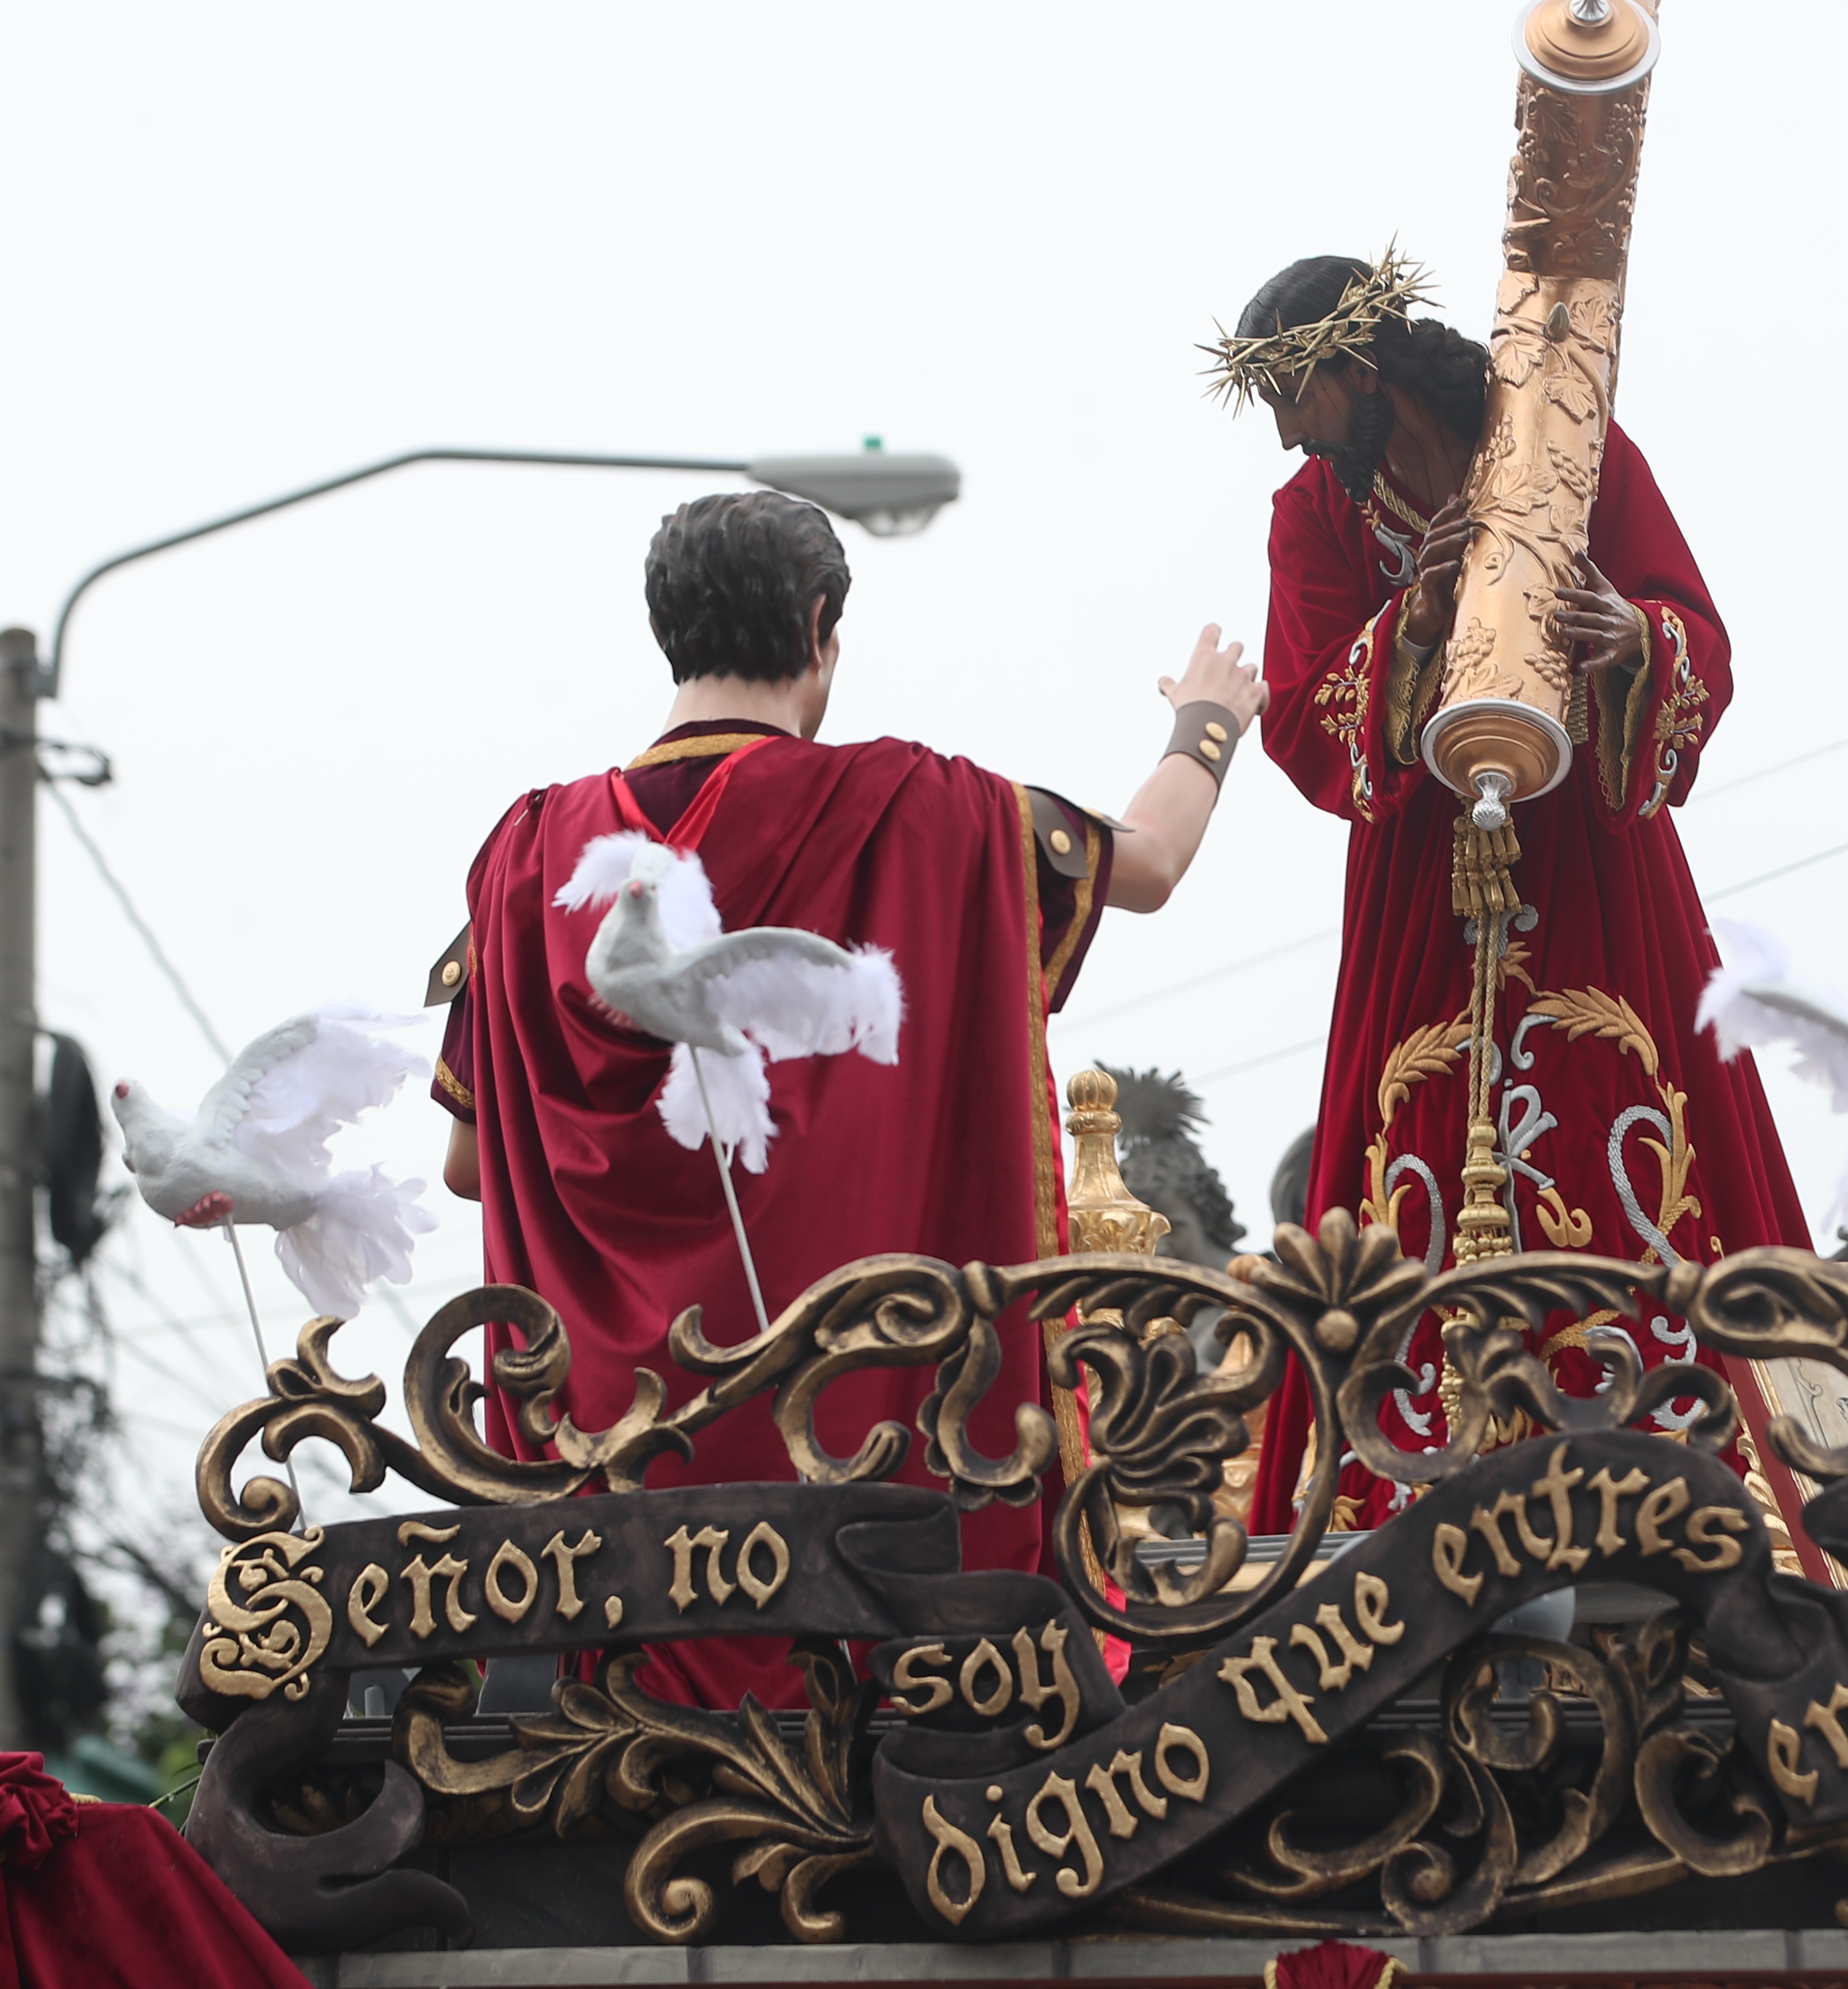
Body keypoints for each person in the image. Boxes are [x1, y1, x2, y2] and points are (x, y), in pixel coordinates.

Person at [429, 490, 1264, 1708]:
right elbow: (1148, 862)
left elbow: (470, 1163)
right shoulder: (928, 810)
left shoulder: (528, 854)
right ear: (821, 626)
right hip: (866, 1490)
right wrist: (1207, 722)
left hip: (606, 1519)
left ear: (667, 631)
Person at [1214, 251, 1821, 1536]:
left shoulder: (1568, 439)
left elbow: (1695, 630)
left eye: (1295, 396)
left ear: (1358, 370)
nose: (1286, 433)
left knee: (1626, 1100)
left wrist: (1634, 640)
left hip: (1589, 852)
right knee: (1420, 1130)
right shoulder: (1313, 513)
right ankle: (1396, 1489)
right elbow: (1302, 705)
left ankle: (1686, 1466)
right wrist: (1413, 622)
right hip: (1421, 879)